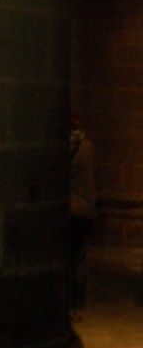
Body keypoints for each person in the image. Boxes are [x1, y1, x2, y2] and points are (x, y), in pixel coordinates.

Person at [69, 113, 96, 315]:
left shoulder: (61, 147)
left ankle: (66, 302)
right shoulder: (88, 147)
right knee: (80, 257)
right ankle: (78, 304)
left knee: (67, 257)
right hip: (85, 209)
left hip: (68, 209)